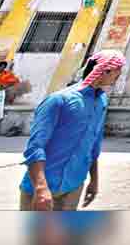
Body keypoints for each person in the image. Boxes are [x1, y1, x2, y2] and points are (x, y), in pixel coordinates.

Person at [20, 50, 124, 211]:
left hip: (74, 186)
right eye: (118, 70)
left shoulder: (101, 101)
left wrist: (94, 180)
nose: (119, 75)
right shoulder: (59, 100)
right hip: (44, 188)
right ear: (105, 70)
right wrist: (41, 189)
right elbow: (35, 147)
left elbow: (93, 145)